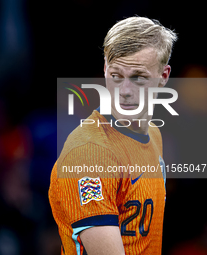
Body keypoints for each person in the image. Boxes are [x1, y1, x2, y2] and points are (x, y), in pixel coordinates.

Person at [49, 16, 177, 255]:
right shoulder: (88, 154)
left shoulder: (153, 135)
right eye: (116, 75)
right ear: (106, 69)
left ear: (164, 76)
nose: (125, 91)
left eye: (138, 77)